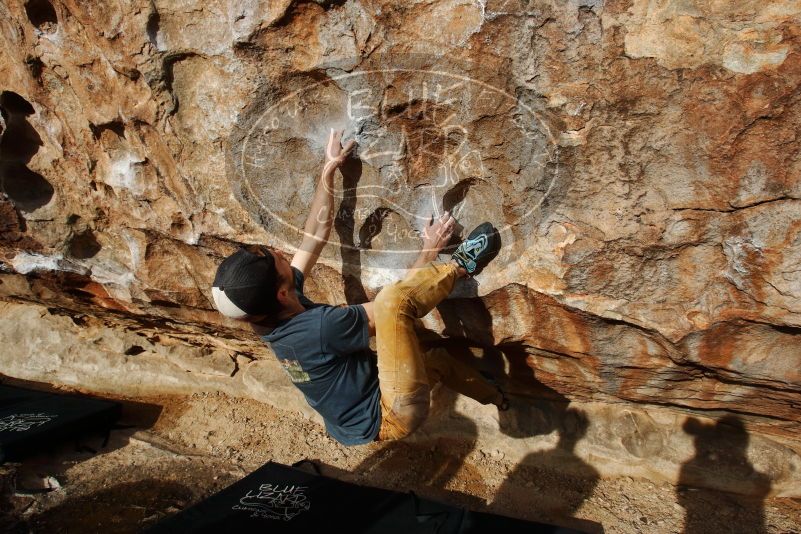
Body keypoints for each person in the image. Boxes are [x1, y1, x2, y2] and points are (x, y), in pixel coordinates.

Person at [212, 128, 507, 445]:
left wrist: (329, 170)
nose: (282, 254)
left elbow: (315, 234)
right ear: (281, 294)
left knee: (435, 361)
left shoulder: (269, 312)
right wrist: (430, 252)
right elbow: (394, 308)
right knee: (393, 303)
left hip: (349, 421)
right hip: (390, 414)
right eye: (276, 261)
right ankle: (462, 265)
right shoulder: (320, 329)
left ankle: (496, 396)